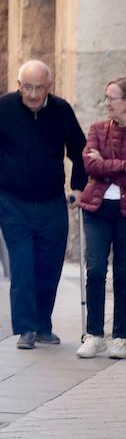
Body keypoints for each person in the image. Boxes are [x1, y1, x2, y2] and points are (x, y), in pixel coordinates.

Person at [0, 60, 87, 349]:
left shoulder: (61, 111)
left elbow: (79, 150)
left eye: (39, 88)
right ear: (18, 85)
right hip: (13, 200)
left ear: (49, 87)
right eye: (27, 87)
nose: (33, 94)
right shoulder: (4, 108)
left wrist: (78, 187)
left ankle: (43, 325)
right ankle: (26, 327)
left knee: (50, 264)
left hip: (51, 201)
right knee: (24, 263)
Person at [78, 77, 126, 359]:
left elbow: (99, 164)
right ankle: (94, 334)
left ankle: (121, 336)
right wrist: (118, 167)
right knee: (95, 271)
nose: (106, 103)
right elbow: (89, 164)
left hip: (123, 212)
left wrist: (104, 165)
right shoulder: (96, 128)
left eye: (112, 98)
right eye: (105, 97)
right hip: (96, 209)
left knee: (123, 274)